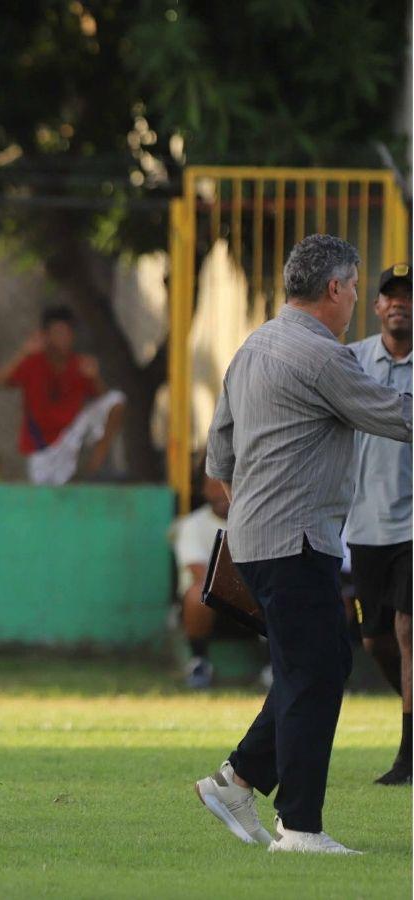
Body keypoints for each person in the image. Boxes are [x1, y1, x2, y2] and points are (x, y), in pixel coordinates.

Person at [195, 235, 412, 855]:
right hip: (297, 541)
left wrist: (254, 503)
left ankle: (237, 781)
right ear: (337, 289)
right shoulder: (324, 355)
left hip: (257, 539)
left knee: (314, 665)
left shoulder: (255, 344)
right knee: (316, 669)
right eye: (354, 287)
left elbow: (219, 450)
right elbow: (394, 415)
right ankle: (300, 827)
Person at [344, 263, 412, 786]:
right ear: (376, 306)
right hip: (365, 525)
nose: (399, 304)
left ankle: (407, 758)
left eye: (408, 297)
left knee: (407, 631)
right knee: (376, 642)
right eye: (390, 296)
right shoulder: (350, 361)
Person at [0, 306, 125, 484]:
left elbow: (103, 400)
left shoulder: (79, 365)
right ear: (46, 336)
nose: (63, 339)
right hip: (41, 447)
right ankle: (70, 475)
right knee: (47, 493)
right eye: (58, 333)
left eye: (67, 333)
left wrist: (95, 378)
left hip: (71, 437)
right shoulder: (33, 362)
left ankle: (93, 467)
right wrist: (22, 353)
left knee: (116, 400)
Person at [169, 470, 230, 689]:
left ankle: (273, 666)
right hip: (215, 604)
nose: (221, 493)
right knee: (198, 593)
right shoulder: (193, 524)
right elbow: (200, 572)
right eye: (214, 486)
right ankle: (199, 661)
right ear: (204, 490)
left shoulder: (253, 523)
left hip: (250, 600)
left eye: (226, 486)